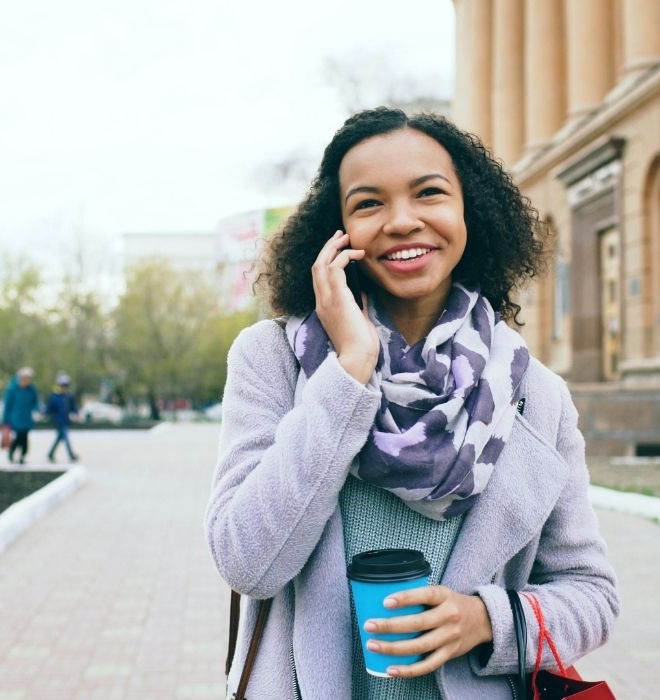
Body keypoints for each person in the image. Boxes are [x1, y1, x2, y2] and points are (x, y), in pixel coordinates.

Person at [205, 108, 619, 699]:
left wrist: (484, 620)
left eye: (429, 193)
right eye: (369, 204)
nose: (402, 221)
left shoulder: (533, 394)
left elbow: (592, 594)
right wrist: (349, 368)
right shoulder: (277, 360)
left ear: (468, 211)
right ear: (337, 231)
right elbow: (247, 562)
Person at [2, 366, 40, 465]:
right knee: (20, 437)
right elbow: (7, 405)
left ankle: (22, 456)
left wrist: (39, 410)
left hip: (26, 418)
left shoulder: (31, 390)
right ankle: (12, 451)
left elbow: (35, 403)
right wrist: (5, 420)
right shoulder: (12, 389)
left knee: (25, 437)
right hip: (15, 418)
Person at [45, 372, 79, 463]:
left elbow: (73, 407)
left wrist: (76, 414)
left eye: (66, 385)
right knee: (66, 438)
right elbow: (49, 408)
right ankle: (71, 455)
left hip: (66, 421)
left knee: (59, 438)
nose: (64, 388)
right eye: (63, 385)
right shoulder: (55, 397)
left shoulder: (69, 397)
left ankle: (50, 454)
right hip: (58, 421)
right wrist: (45, 414)